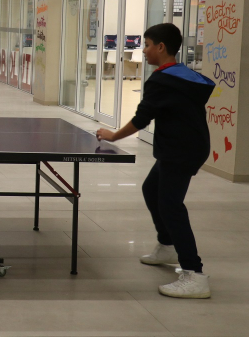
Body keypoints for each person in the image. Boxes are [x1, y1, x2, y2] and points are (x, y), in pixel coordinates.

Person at [96, 23, 215, 299]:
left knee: (171, 206)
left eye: (147, 45)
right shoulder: (186, 76)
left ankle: (195, 274)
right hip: (184, 146)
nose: (144, 50)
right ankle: (167, 245)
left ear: (161, 47)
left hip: (180, 150)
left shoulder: (161, 81)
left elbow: (142, 119)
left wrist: (113, 136)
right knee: (151, 189)